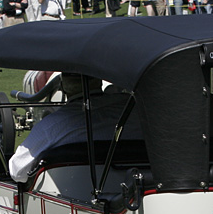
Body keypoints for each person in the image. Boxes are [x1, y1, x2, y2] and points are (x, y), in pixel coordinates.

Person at [8, 74, 141, 182]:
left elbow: (18, 170)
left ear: (64, 86)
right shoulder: (137, 112)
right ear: (99, 81)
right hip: (142, 190)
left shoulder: (51, 127)